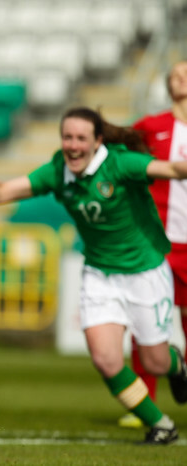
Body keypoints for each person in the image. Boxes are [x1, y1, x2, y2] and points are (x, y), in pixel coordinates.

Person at [0, 106, 187, 445]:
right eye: (67, 137)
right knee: (105, 359)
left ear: (98, 141)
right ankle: (161, 425)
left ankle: (178, 365)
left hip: (145, 272)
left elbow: (170, 167)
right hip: (98, 274)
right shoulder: (57, 171)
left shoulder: (121, 164)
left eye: (81, 138)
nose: (73, 145)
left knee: (156, 362)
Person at [119, 60, 187, 429]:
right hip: (158, 245)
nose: (180, 77)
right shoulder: (151, 127)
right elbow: (119, 159)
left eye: (186, 72)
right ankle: (142, 404)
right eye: (175, 74)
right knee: (146, 325)